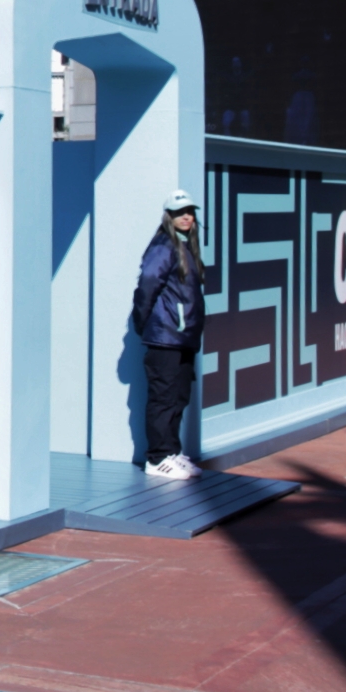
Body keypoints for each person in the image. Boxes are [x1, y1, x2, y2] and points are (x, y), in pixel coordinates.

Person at [131, 190, 206, 480]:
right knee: (163, 397)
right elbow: (147, 284)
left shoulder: (185, 246)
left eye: (190, 211)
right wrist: (142, 321)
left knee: (179, 396)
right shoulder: (164, 246)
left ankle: (172, 452)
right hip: (165, 336)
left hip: (182, 336)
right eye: (179, 212)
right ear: (169, 217)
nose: (186, 217)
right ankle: (157, 458)